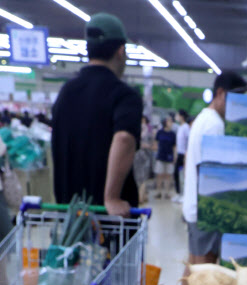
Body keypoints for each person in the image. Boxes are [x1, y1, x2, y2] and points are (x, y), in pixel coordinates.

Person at [51, 13, 142, 216]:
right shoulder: (124, 95)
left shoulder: (66, 92)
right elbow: (125, 138)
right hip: (109, 221)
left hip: (70, 215)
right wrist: (112, 197)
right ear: (121, 51)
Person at [183, 70, 247, 264]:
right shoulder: (215, 126)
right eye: (236, 98)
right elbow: (213, 174)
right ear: (220, 93)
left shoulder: (203, 119)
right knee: (206, 270)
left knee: (194, 266)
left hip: (194, 207)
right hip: (206, 211)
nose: (239, 105)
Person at [154, 116, 176, 199]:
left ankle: (167, 192)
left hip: (169, 156)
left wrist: (174, 156)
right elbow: (156, 142)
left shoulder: (173, 134)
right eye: (169, 121)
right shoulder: (160, 132)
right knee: (159, 174)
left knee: (168, 175)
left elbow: (174, 146)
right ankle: (158, 192)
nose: (171, 123)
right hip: (160, 156)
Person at [133, 115, 154, 205]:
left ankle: (141, 196)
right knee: (142, 178)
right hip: (140, 155)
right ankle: (141, 196)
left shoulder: (145, 130)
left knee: (141, 178)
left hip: (142, 155)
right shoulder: (147, 131)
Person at [173, 109, 189, 201]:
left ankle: (184, 194)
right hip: (179, 153)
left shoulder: (186, 127)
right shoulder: (180, 127)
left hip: (184, 154)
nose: (176, 117)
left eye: (178, 115)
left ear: (181, 116)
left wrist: (186, 155)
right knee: (176, 174)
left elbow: (188, 140)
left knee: (182, 174)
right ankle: (179, 193)